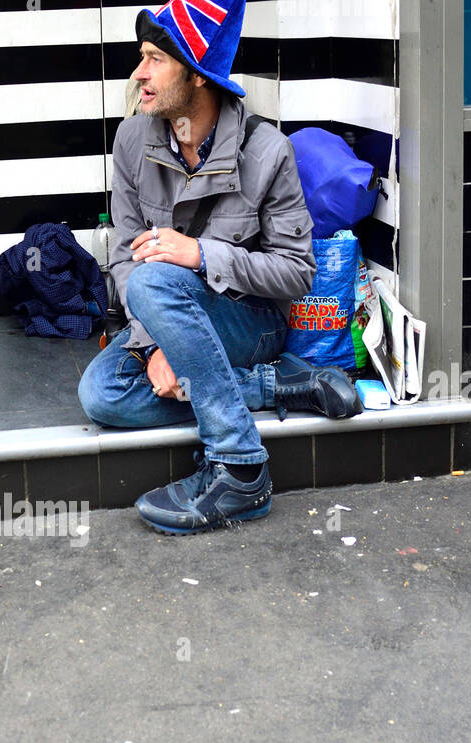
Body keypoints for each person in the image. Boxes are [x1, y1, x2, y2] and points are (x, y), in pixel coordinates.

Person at [79, 0, 362, 535]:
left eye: (155, 59)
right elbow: (122, 256)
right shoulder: (132, 140)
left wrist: (203, 254)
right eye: (141, 57)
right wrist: (155, 342)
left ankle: (240, 467)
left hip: (248, 322)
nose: (139, 73)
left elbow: (295, 272)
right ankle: (277, 389)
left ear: (199, 79)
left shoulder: (268, 151)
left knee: (158, 275)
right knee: (102, 394)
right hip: (162, 320)